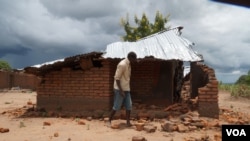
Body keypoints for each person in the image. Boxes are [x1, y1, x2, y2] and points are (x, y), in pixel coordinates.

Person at [108, 51, 137, 127]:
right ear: (131, 58)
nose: (135, 61)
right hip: (119, 89)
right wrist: (121, 91)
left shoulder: (129, 64)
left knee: (129, 105)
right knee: (116, 106)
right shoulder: (122, 64)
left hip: (126, 88)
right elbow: (117, 78)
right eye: (134, 59)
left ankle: (128, 122)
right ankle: (109, 120)